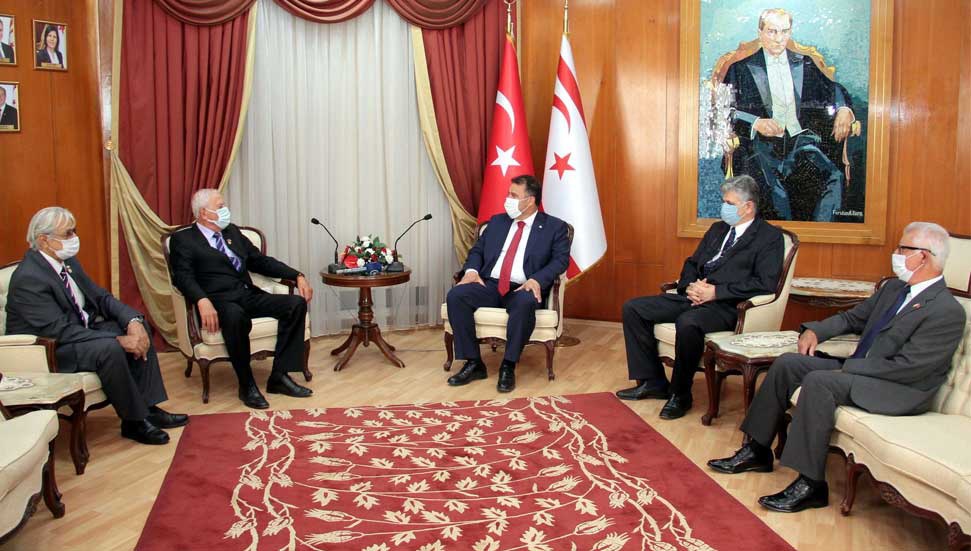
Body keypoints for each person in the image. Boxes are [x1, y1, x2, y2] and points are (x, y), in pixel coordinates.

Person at [708, 222, 965, 513]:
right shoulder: (894, 289)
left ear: (923, 257)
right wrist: (815, 331)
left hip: (899, 390)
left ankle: (811, 485)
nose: (895, 253)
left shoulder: (945, 310)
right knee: (787, 363)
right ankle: (756, 450)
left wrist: (848, 368)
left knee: (820, 381)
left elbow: (909, 369)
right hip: (863, 370)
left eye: (902, 249)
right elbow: (853, 318)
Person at [5, 207, 188, 445]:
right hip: (51, 349)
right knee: (109, 348)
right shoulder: (29, 277)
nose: (74, 238)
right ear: (44, 240)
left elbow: (101, 297)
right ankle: (134, 422)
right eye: (67, 233)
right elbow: (57, 330)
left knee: (139, 325)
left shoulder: (67, 261)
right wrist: (118, 340)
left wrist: (132, 321)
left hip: (80, 332)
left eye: (74, 231)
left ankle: (148, 408)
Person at [616, 175, 783, 420]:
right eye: (724, 201)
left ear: (748, 207)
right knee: (634, 308)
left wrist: (716, 292)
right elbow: (692, 263)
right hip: (694, 296)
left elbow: (764, 283)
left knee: (688, 322)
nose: (723, 207)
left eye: (729, 203)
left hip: (728, 305)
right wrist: (690, 287)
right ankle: (653, 382)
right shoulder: (718, 229)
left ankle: (680, 394)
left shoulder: (769, 237)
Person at [169, 189, 314, 409]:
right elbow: (183, 277)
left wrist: (296, 275)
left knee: (295, 304)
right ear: (203, 213)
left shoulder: (232, 232)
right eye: (220, 207)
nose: (225, 210)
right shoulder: (184, 239)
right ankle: (247, 385)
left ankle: (279, 376)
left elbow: (259, 261)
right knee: (236, 317)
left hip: (247, 294)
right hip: (218, 301)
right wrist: (201, 300)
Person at [723, 8, 856, 222]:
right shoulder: (740, 69)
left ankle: (819, 234)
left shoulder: (804, 63)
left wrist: (843, 109)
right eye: (772, 31)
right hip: (760, 147)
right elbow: (723, 111)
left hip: (801, 143)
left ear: (790, 32)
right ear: (760, 32)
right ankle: (778, 238)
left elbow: (833, 89)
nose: (779, 39)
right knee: (775, 194)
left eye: (784, 32)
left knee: (833, 177)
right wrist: (755, 123)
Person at [445, 175, 570, 393]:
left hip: (523, 287)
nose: (507, 199)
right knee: (456, 295)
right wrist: (472, 271)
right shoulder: (497, 222)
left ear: (530, 200)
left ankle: (508, 365)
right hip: (491, 285)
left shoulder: (554, 227)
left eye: (513, 195)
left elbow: (560, 260)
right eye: (508, 194)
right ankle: (474, 363)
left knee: (524, 303)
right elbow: (477, 251)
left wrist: (537, 279)